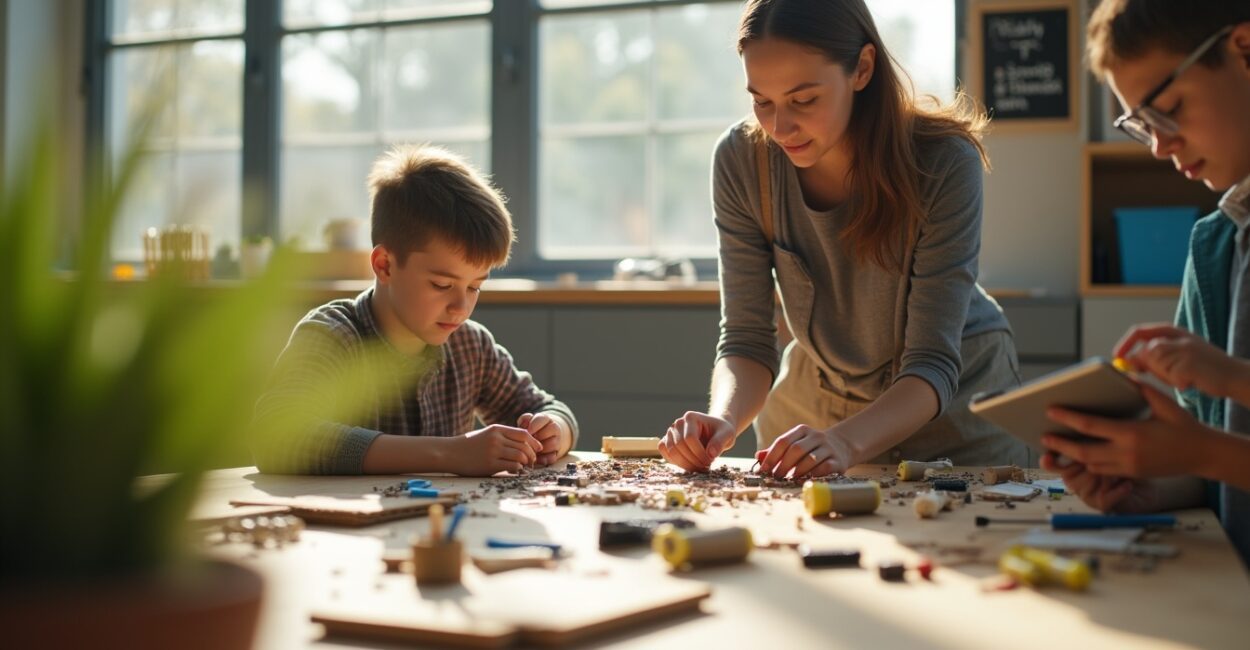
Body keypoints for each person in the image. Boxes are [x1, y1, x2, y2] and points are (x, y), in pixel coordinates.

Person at [659, 0, 1031, 477]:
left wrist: (845, 443)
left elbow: (932, 362)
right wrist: (724, 417)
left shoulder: (943, 161)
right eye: (761, 100)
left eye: (804, 99)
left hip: (953, 403)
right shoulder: (741, 160)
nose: (778, 127)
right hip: (816, 398)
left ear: (862, 68)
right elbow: (748, 340)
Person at [1040, 0, 1250, 564]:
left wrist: (1223, 401)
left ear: (1244, 50)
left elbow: (1214, 451)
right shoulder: (1216, 246)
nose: (1160, 145)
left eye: (1169, 108)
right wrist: (1151, 482)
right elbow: (1215, 463)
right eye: (1142, 125)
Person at [252, 144, 577, 476]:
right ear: (385, 265)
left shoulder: (470, 346)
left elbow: (546, 408)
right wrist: (448, 453)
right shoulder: (333, 335)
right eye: (440, 285)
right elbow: (278, 436)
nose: (461, 307)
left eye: (474, 287)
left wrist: (553, 430)